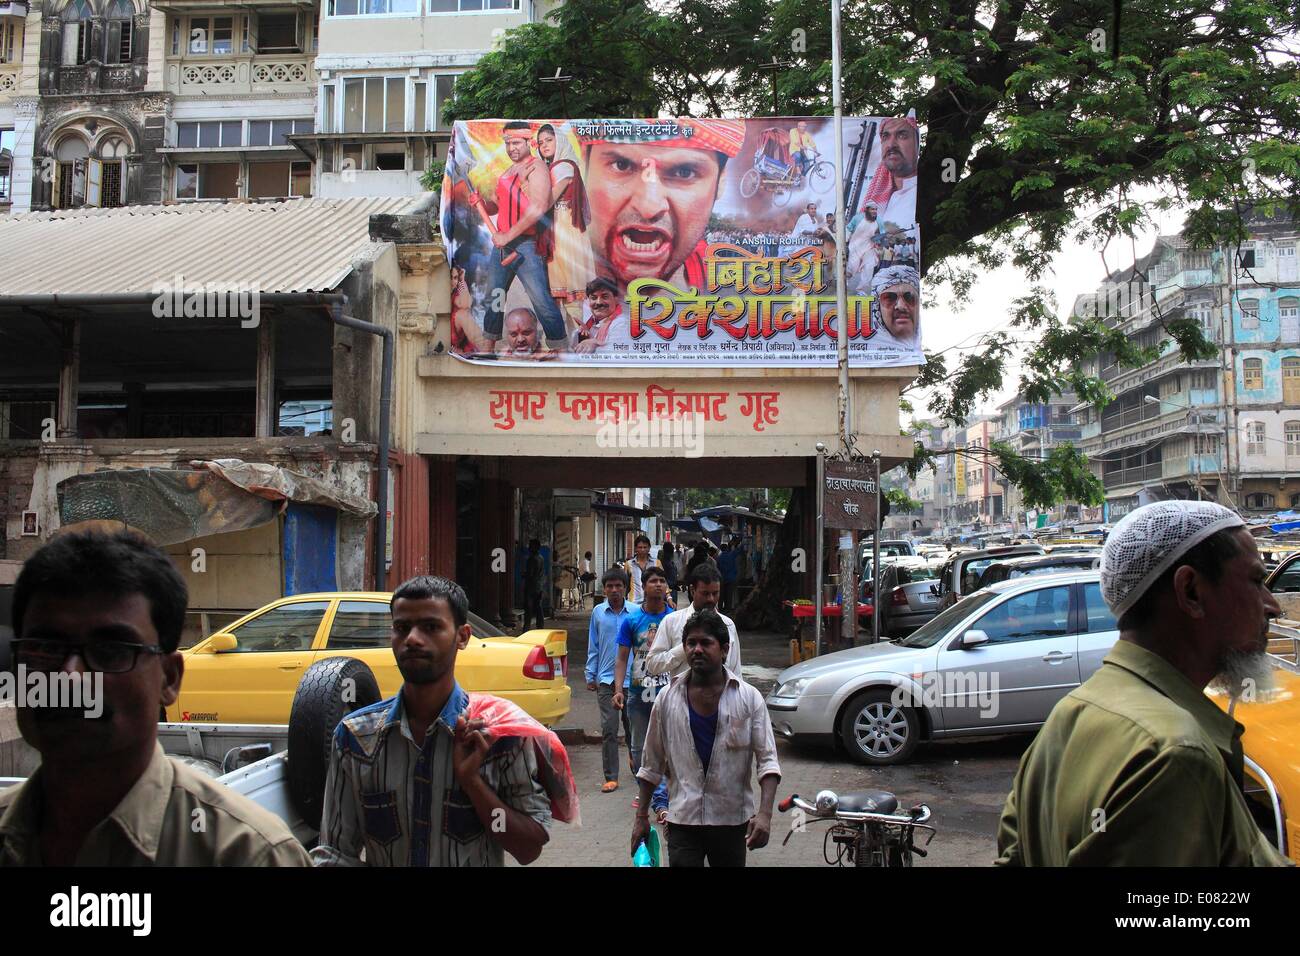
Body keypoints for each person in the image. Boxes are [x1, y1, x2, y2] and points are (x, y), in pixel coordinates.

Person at [995, 501, 1290, 867]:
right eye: (1256, 581)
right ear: (1191, 592)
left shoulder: (1068, 716)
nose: (1272, 605)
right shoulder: (1177, 755)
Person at [0, 531, 309, 866]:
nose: (70, 676)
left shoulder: (250, 855)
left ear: (169, 678)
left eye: (110, 651)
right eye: (44, 649)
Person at [314, 575, 562, 866]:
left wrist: (473, 784)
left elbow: (528, 849)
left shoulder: (499, 737)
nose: (412, 639)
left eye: (431, 627)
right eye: (401, 628)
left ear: (462, 637)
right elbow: (335, 853)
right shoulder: (354, 738)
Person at [631, 609, 780, 867]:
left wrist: (765, 815)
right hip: (682, 821)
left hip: (731, 822)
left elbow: (768, 762)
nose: (697, 650)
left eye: (705, 643)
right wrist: (641, 817)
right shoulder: (667, 699)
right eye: (691, 643)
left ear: (724, 650)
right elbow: (651, 764)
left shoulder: (749, 698)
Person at [581, 119, 746, 297]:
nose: (648, 207)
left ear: (720, 183)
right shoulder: (562, 271)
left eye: (684, 172)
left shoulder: (729, 285)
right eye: (621, 165)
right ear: (583, 168)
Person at [472, 121, 568, 352]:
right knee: (495, 297)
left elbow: (538, 208)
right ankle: (488, 347)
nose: (512, 148)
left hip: (526, 245)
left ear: (528, 142)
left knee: (541, 300)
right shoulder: (508, 171)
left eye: (516, 143)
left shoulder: (537, 168)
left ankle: (561, 349)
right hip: (502, 246)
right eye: (508, 143)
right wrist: (481, 203)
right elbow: (499, 206)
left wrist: (507, 236)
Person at [612, 565, 672, 822]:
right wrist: (618, 690)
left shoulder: (674, 619)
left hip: (668, 693)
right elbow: (621, 658)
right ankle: (656, 795)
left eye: (662, 581)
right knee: (638, 747)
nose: (658, 584)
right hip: (638, 693)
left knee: (669, 745)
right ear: (644, 587)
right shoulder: (632, 620)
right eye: (653, 581)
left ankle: (660, 798)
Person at [586, 568, 637, 793]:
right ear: (604, 589)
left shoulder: (635, 612)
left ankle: (637, 766)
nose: (614, 590)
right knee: (609, 729)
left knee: (633, 728)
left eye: (618, 586)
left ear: (625, 588)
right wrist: (590, 674)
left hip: (633, 681)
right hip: (606, 680)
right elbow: (594, 644)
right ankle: (611, 776)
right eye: (610, 586)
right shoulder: (598, 613)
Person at [536, 122, 596, 312]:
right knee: (564, 295)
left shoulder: (563, 167)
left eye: (549, 140)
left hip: (564, 232)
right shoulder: (556, 166)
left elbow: (546, 202)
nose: (544, 145)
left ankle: (580, 330)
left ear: (560, 141)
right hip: (561, 229)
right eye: (540, 143)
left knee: (570, 294)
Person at [645, 564, 741, 680]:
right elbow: (653, 665)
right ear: (692, 590)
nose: (711, 599)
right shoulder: (671, 622)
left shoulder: (728, 625)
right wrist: (685, 648)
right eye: (705, 593)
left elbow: (736, 673)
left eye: (715, 593)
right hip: (681, 692)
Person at [863, 116, 918, 230]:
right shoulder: (877, 201)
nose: (891, 144)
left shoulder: (925, 193)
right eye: (885, 137)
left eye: (902, 136)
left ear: (917, 144)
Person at [869, 264, 921, 350]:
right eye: (890, 298)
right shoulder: (869, 352)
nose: (901, 306)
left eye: (909, 297)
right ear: (877, 308)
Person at [570, 276, 626, 354]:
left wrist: (595, 344)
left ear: (616, 300)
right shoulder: (592, 322)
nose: (599, 302)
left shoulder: (622, 323)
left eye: (605, 297)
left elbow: (617, 353)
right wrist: (584, 337)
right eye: (594, 298)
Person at [620, 533, 661, 604]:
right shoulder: (629, 564)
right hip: (634, 602)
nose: (642, 549)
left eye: (645, 547)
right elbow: (625, 584)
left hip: (653, 601)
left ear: (649, 548)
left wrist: (669, 597)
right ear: (636, 548)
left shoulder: (657, 563)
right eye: (640, 547)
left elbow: (663, 582)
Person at [522, 538, 546, 631]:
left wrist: (524, 574)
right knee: (538, 607)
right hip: (539, 586)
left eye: (531, 545)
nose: (529, 547)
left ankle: (526, 627)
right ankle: (540, 626)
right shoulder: (541, 558)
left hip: (531, 586)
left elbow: (530, 574)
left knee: (528, 608)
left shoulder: (532, 559)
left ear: (535, 547)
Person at [716, 541, 739, 612]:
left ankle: (720, 608)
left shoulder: (719, 558)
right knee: (729, 594)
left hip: (722, 578)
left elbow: (717, 569)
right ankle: (728, 608)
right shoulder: (731, 555)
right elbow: (739, 550)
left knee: (721, 594)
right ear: (727, 548)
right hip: (731, 578)